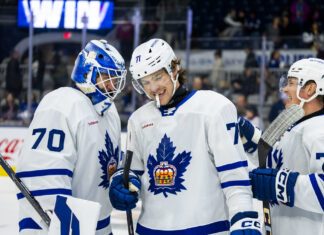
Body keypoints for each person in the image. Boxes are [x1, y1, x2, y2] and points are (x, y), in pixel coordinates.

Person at [109, 39, 262, 234]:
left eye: (157, 77)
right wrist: (123, 185)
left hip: (207, 229)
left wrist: (244, 218)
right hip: (150, 229)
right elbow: (133, 172)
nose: (153, 88)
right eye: (145, 82)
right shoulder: (138, 119)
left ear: (174, 69)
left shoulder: (214, 108)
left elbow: (233, 175)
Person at [16, 40, 127, 234]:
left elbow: (109, 164)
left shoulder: (110, 114)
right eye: (106, 77)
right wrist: (65, 223)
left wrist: (123, 180)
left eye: (115, 80)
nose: (112, 85)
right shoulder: (62, 103)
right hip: (60, 227)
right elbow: (44, 171)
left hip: (99, 226)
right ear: (87, 73)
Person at [239, 58, 324, 235]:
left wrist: (278, 184)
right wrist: (255, 142)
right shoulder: (299, 127)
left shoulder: (320, 129)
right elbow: (278, 163)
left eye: (291, 83)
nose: (285, 89)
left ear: (310, 89)